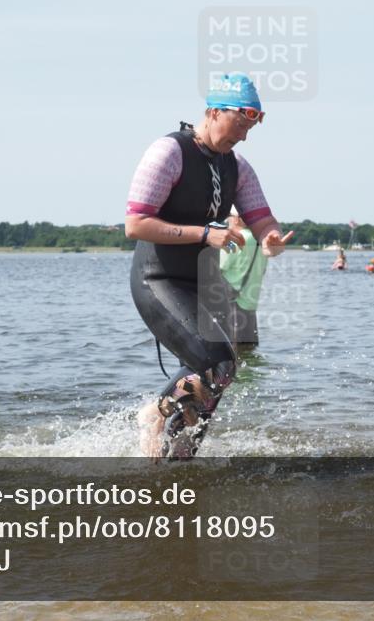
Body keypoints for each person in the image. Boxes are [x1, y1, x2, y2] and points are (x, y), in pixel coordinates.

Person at [126, 73, 293, 460]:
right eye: (239, 126)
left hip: (200, 283)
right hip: (159, 279)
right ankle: (156, 413)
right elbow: (135, 224)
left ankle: (177, 458)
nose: (244, 137)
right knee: (220, 362)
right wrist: (205, 234)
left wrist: (270, 238)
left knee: (213, 379)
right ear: (213, 111)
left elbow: (262, 218)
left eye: (250, 129)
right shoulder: (168, 152)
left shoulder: (237, 166)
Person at [218, 210, 268, 348]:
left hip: (232, 305)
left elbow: (219, 268)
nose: (227, 221)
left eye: (228, 217)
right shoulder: (261, 241)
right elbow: (262, 271)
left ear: (237, 219)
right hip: (251, 305)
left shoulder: (233, 241)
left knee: (231, 354)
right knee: (248, 352)